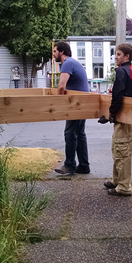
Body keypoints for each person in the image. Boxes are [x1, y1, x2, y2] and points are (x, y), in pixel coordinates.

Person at [99, 43, 132, 196]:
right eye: (115, 54)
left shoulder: (122, 71)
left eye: (119, 54)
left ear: (127, 56)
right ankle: (117, 180)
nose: (116, 57)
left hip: (125, 117)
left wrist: (111, 114)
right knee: (117, 148)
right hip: (125, 117)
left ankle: (124, 186)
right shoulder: (128, 71)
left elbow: (118, 96)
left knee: (122, 151)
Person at [53, 40, 90, 176]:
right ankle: (84, 165)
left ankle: (69, 165)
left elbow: (61, 86)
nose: (53, 54)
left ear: (62, 52)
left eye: (55, 51)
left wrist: (59, 104)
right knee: (79, 134)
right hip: (83, 103)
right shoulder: (73, 62)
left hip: (77, 104)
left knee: (70, 134)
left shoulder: (67, 63)